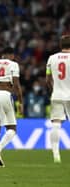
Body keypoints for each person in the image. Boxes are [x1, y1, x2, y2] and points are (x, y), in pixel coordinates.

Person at [46, 35, 70, 163]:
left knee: (56, 124)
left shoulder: (52, 58)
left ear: (61, 46)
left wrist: (54, 89)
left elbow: (47, 79)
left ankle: (56, 155)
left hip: (57, 94)